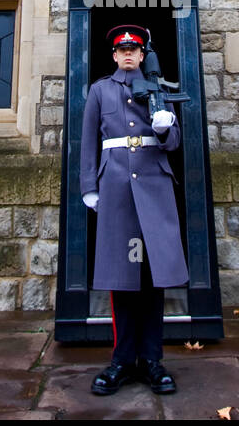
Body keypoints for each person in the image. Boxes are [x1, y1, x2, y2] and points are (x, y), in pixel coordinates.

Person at [79, 24, 188, 395]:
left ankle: (152, 360)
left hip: (154, 186)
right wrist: (89, 187)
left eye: (134, 49)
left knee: (152, 277)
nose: (128, 54)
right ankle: (122, 360)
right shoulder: (99, 90)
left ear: (143, 55)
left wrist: (163, 127)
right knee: (121, 278)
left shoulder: (158, 87)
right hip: (116, 188)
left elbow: (174, 142)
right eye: (121, 49)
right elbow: (88, 141)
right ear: (114, 55)